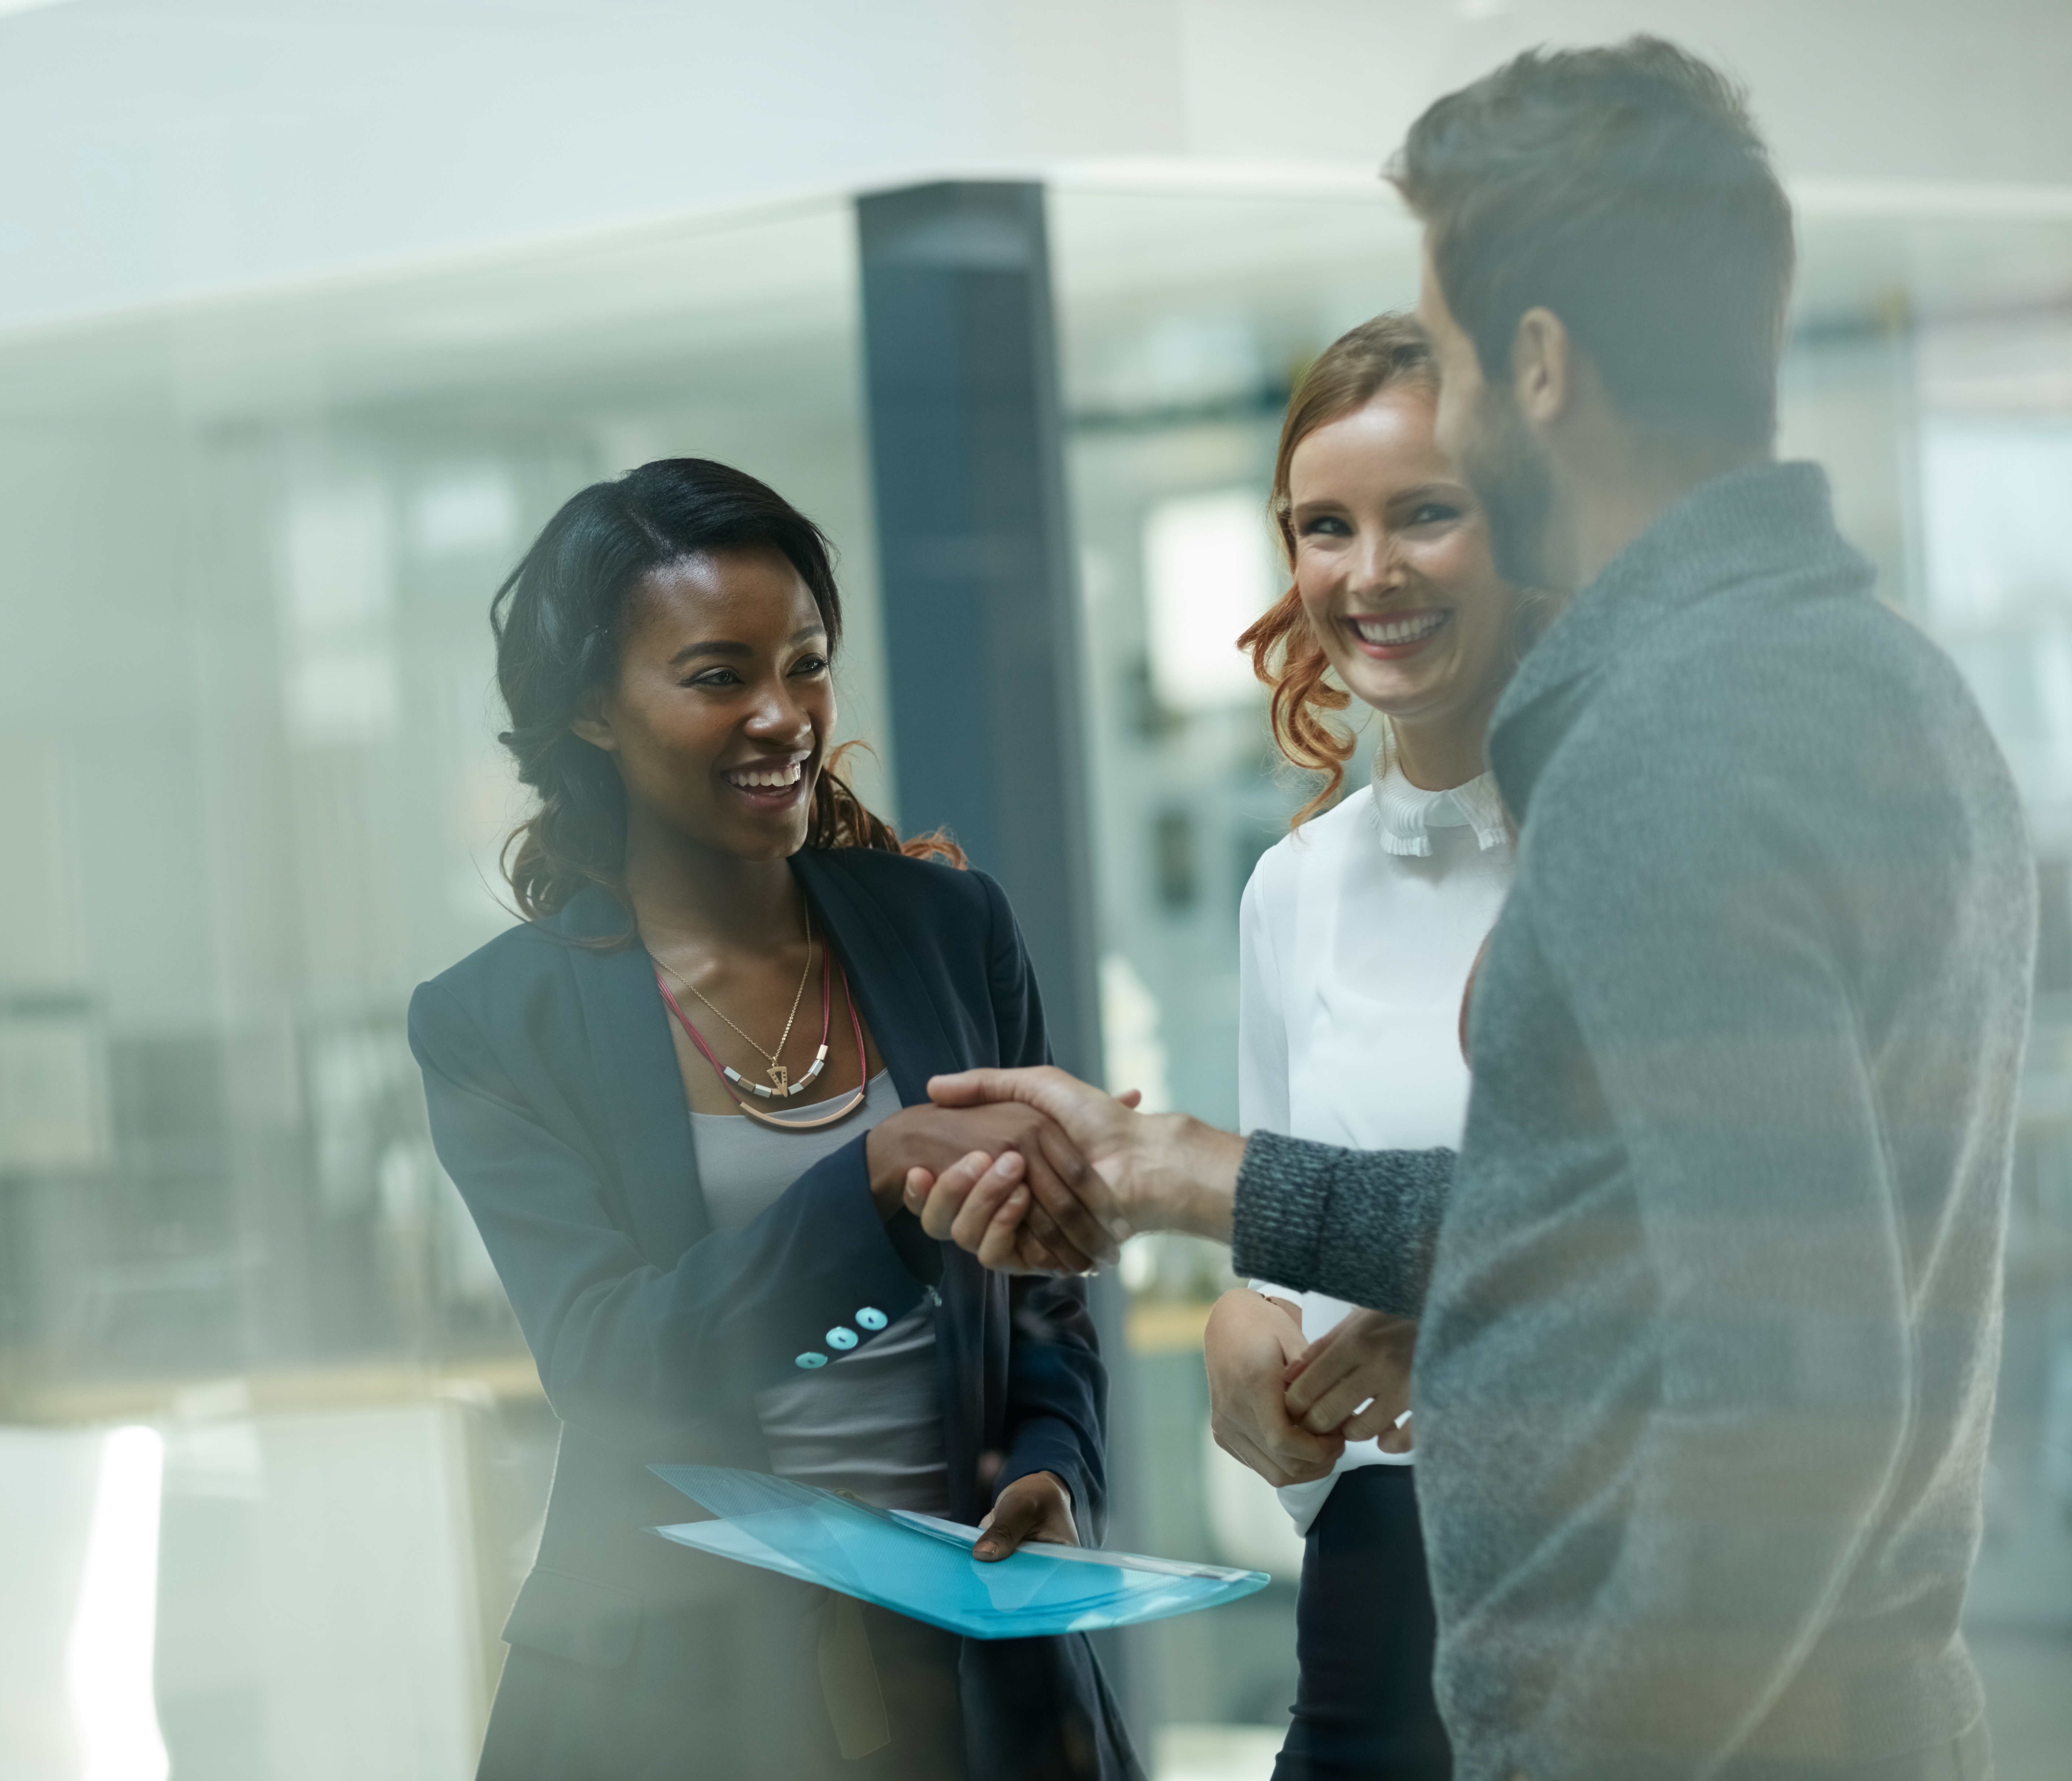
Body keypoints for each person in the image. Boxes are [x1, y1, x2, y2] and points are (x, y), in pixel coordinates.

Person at [914, 39, 2033, 1781]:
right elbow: (1631, 1247)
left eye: (1443, 347)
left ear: (1538, 367)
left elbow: (1772, 1400)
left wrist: (1547, 1748)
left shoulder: (1682, 751)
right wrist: (1171, 1184)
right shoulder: (1878, 685)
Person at [407, 458, 1140, 1781]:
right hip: (687, 1690)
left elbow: (1043, 1303)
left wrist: (1056, 1467)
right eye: (716, 676)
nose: (781, 715)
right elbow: (611, 1362)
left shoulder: (950, 928)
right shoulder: (497, 1022)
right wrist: (866, 1184)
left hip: (973, 1674)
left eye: (804, 663)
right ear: (591, 712)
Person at [1206, 310, 1528, 1780]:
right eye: (1323, 526)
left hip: (1608, 1598)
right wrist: (1242, 1338)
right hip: (1371, 1621)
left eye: (1427, 515)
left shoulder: (1639, 857)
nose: (1369, 573)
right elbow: (1275, 1257)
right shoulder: (1294, 890)